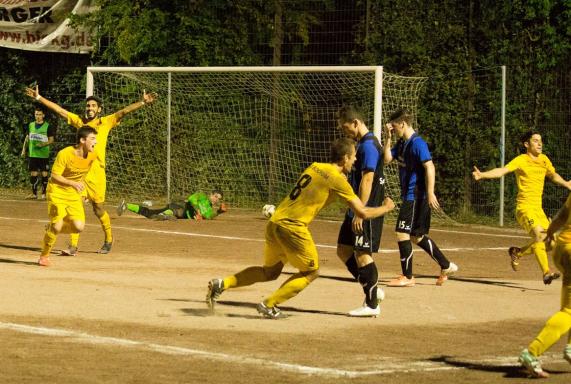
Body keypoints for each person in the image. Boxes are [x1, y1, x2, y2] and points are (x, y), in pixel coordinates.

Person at [206, 138, 395, 319]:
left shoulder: (314, 167)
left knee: (270, 272)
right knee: (311, 272)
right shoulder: (338, 180)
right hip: (293, 228)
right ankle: (269, 304)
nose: (355, 160)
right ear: (345, 157)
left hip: (275, 222)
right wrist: (386, 207)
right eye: (353, 156)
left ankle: (222, 284)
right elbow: (361, 211)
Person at [25, 84, 157, 256]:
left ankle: (109, 238)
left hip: (98, 174)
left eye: (93, 106)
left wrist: (142, 102)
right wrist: (38, 98)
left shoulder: (105, 122)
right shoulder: (80, 122)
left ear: (99, 109)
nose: (90, 108)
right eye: (88, 105)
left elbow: (123, 112)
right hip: (80, 173)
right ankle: (73, 246)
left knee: (98, 209)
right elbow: (60, 111)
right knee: (74, 208)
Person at [472, 130, 571, 284]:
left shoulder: (544, 160)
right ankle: (546, 272)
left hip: (539, 209)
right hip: (524, 208)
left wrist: (566, 183)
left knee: (551, 243)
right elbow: (502, 171)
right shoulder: (521, 160)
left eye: (541, 140)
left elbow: (553, 175)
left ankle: (518, 252)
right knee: (540, 236)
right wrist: (482, 175)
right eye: (536, 141)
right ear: (527, 144)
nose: (540, 144)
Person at [383, 108, 458, 287]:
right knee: (417, 236)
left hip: (416, 196)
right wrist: (388, 137)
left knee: (402, 233)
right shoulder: (402, 143)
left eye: (394, 127)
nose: (393, 130)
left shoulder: (418, 143)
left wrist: (431, 192)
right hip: (411, 196)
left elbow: (429, 167)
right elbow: (386, 159)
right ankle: (446, 265)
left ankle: (407, 276)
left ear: (402, 124)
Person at [335, 105, 386, 317]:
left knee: (363, 254)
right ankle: (372, 289)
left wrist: (360, 212)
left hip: (365, 209)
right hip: (356, 207)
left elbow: (368, 178)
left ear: (356, 123)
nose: (345, 132)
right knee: (343, 250)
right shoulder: (364, 144)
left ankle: (372, 304)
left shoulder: (368, 146)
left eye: (346, 128)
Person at [517, 192, 571, 378]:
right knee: (569, 312)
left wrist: (549, 232)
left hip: (562, 248)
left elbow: (562, 216)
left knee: (568, 306)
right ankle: (532, 353)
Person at [38, 126, 98, 266]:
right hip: (57, 191)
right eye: (93, 139)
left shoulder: (93, 155)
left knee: (78, 227)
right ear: (82, 140)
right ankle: (44, 256)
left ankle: (51, 227)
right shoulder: (65, 153)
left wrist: (83, 191)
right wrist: (72, 183)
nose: (96, 142)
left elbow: (83, 175)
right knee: (58, 225)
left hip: (73, 193)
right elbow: (54, 176)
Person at [20, 106, 56, 200]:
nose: (38, 116)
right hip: (33, 154)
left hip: (43, 154)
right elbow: (27, 138)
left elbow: (51, 140)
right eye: (36, 114)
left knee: (44, 174)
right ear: (34, 115)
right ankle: (34, 194)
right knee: (33, 173)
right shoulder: (31, 125)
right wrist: (24, 149)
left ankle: (44, 194)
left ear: (43, 115)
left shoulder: (48, 126)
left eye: (40, 114)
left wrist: (43, 144)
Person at [117, 190, 227, 220]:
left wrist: (218, 212)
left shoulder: (209, 209)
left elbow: (208, 217)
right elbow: (192, 199)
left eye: (219, 199)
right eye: (216, 196)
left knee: (150, 214)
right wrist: (197, 211)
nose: (216, 200)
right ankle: (165, 214)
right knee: (177, 211)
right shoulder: (202, 196)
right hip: (181, 206)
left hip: (182, 214)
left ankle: (126, 205)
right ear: (211, 194)